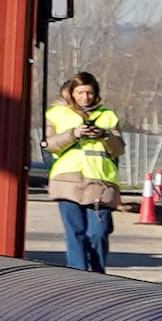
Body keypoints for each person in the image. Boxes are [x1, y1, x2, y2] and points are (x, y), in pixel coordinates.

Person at [42, 74, 117, 272]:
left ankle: (98, 273)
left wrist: (104, 135)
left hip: (100, 183)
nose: (85, 97)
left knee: (98, 233)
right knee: (75, 232)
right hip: (68, 181)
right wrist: (73, 134)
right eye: (80, 92)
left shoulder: (108, 116)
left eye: (89, 93)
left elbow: (118, 149)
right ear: (71, 94)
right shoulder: (56, 114)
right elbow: (49, 145)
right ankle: (79, 273)